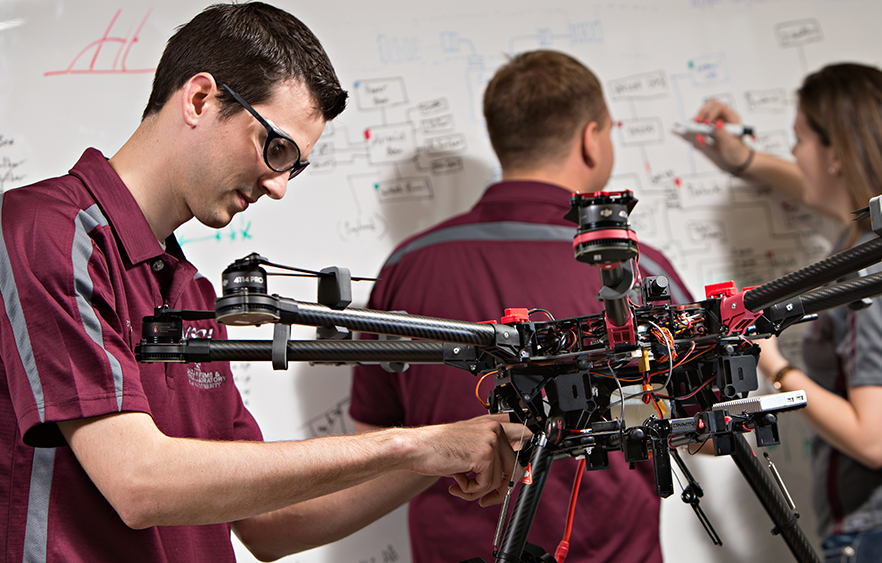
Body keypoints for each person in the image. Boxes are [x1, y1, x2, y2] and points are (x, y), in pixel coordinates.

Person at [0, 4, 521, 562]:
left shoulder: (188, 291)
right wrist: (408, 441)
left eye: (293, 166)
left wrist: (451, 448)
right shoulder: (50, 232)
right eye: (277, 149)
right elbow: (139, 481)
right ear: (200, 99)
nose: (279, 187)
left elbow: (271, 526)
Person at [350, 50, 692, 563]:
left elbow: (373, 442)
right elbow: (707, 421)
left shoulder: (405, 267)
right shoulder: (638, 270)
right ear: (590, 138)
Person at [687, 63, 882, 562]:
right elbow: (827, 191)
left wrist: (773, 361)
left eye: (799, 139)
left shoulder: (878, 269)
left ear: (836, 155)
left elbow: (874, 439)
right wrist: (744, 160)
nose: (792, 153)